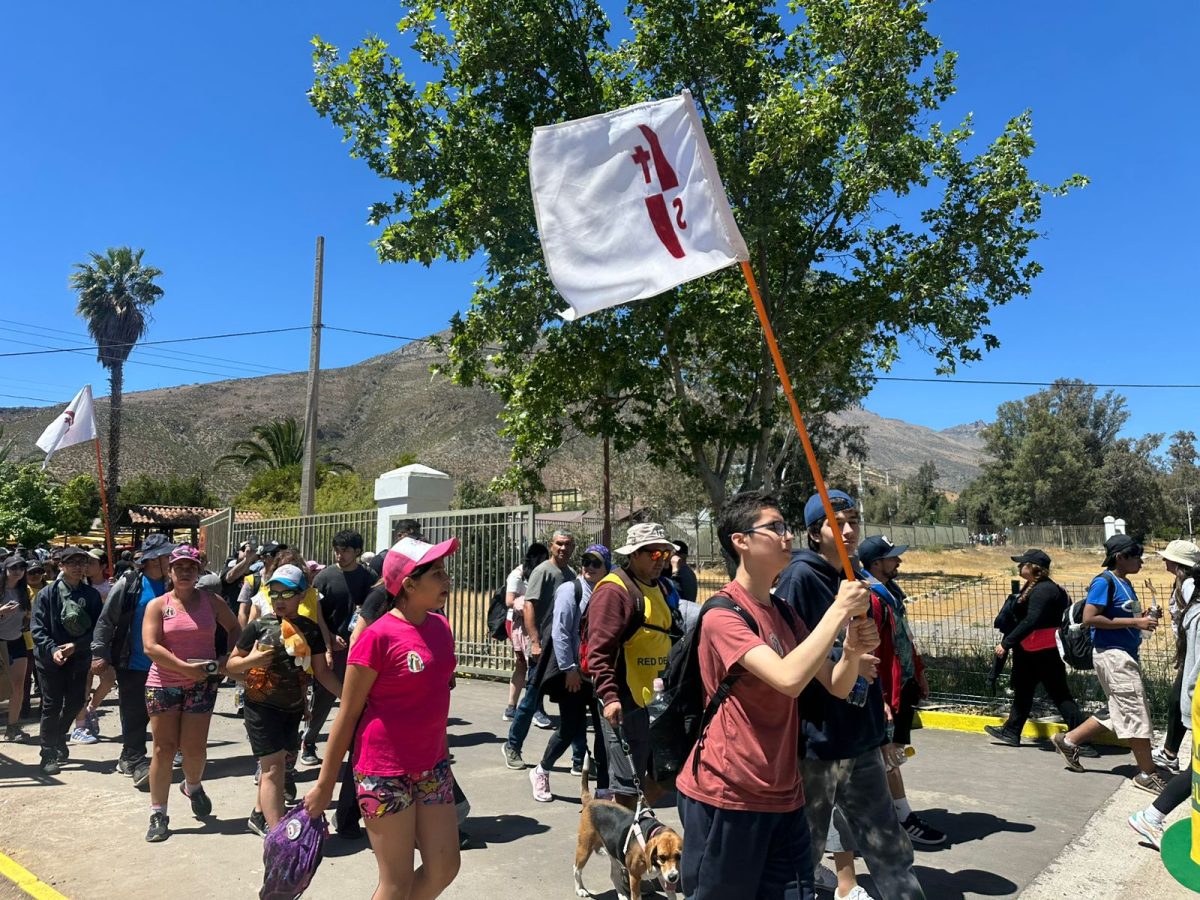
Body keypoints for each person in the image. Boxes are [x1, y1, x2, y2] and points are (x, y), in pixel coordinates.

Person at [675, 490, 877, 900]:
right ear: (741, 541)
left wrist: (852, 653)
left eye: (786, 527)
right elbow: (787, 678)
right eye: (775, 528)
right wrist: (837, 612)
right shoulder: (723, 615)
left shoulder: (785, 613)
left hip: (784, 794)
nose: (787, 537)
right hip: (729, 794)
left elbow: (835, 684)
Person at [774, 490, 926, 900]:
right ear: (814, 533)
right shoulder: (799, 578)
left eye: (854, 520)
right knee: (804, 849)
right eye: (835, 523)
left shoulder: (853, 575)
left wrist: (879, 714)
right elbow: (793, 654)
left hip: (861, 734)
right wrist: (845, 654)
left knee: (888, 844)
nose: (848, 530)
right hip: (818, 741)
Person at [303, 536, 462, 899]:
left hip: (432, 766)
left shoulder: (441, 628)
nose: (446, 579)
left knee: (445, 867)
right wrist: (325, 785)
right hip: (383, 771)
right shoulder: (377, 637)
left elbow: (435, 703)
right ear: (409, 584)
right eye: (436, 573)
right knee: (396, 882)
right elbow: (348, 713)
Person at [227, 564, 342, 836]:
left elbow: (322, 673)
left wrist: (350, 699)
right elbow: (230, 666)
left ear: (302, 596)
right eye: (274, 593)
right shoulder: (258, 627)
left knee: (282, 766)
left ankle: (259, 815)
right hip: (260, 706)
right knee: (273, 768)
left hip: (292, 708)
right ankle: (279, 836)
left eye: (287, 594)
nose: (279, 600)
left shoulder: (310, 630)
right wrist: (251, 661)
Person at [140, 544, 241, 842]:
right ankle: (158, 812)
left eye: (191, 567)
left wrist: (226, 657)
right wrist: (184, 668)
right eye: (179, 567)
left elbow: (236, 628)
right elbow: (150, 646)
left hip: (202, 684)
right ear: (170, 571)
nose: (185, 572)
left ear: (199, 571)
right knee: (163, 748)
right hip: (163, 684)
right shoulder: (158, 605)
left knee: (194, 749)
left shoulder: (212, 602)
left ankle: (192, 785)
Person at [1052, 535, 1165, 793]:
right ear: (1120, 557)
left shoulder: (1124, 582)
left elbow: (1122, 615)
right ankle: (1147, 774)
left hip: (1123, 654)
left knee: (1120, 708)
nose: (1140, 561)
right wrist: (1136, 623)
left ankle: (1069, 741)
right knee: (1136, 711)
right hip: (1113, 656)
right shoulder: (1104, 582)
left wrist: (1144, 617)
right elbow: (1091, 618)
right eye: (1135, 556)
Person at [858, 536, 946, 849]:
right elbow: (872, 650)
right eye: (892, 558)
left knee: (890, 754)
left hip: (902, 686)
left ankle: (886, 814)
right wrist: (880, 697)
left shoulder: (891, 594)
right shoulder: (870, 598)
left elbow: (903, 639)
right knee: (887, 757)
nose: (899, 562)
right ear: (875, 563)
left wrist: (918, 672)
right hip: (884, 693)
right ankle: (901, 816)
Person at [585, 522, 680, 809]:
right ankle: (624, 846)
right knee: (627, 786)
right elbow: (598, 652)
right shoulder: (613, 591)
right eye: (655, 555)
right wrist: (610, 698)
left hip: (657, 701)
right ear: (635, 554)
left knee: (666, 774)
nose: (662, 561)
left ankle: (636, 824)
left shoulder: (660, 587)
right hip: (625, 702)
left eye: (666, 555)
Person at [1128, 546, 1200, 849]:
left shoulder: (1190, 596)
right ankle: (1151, 816)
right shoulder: (1196, 609)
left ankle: (1152, 815)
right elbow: (1196, 666)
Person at [528, 543, 612, 802]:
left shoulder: (608, 592)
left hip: (598, 674)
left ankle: (603, 789)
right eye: (586, 561)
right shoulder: (570, 590)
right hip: (574, 674)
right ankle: (541, 770)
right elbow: (560, 632)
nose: (589, 567)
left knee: (603, 730)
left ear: (606, 568)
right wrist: (569, 669)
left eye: (596, 563)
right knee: (570, 727)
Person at [91, 533, 175, 788]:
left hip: (169, 665)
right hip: (134, 662)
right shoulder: (129, 584)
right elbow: (107, 620)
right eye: (165, 555)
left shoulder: (175, 586)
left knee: (166, 716)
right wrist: (99, 652)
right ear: (153, 560)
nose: (170, 559)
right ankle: (135, 759)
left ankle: (144, 757)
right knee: (135, 714)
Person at [984, 549, 1085, 746]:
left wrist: (1006, 643)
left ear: (1033, 568)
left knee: (1059, 694)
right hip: (1033, 650)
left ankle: (1082, 740)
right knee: (1024, 690)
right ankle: (1011, 731)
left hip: (1041, 652)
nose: (1019, 566)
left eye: (1023, 564)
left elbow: (1031, 620)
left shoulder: (1044, 590)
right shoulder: (1037, 587)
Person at [501, 530, 577, 768]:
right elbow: (529, 606)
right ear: (551, 545)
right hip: (543, 649)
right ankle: (512, 746)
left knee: (572, 704)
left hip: (563, 648)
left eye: (567, 544)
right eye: (559, 544)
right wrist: (535, 642)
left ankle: (579, 758)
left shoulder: (570, 574)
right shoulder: (542, 571)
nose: (563, 548)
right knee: (531, 701)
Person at [30, 546, 104, 776]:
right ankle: (48, 751)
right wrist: (53, 649)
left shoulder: (90, 595)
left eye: (81, 562)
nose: (77, 566)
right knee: (51, 705)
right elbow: (38, 628)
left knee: (74, 703)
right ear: (61, 565)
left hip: (79, 657)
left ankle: (58, 735)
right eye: (71, 562)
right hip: (49, 659)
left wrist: (77, 646)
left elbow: (98, 628)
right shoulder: (47, 594)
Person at [303, 530, 375, 766]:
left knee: (361, 699)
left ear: (356, 552)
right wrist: (330, 638)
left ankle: (357, 747)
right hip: (331, 649)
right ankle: (309, 741)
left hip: (362, 650)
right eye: (336, 550)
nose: (339, 554)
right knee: (324, 698)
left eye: (344, 550)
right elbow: (315, 614)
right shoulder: (324, 577)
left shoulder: (369, 577)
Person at [1151, 540, 1200, 772]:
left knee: (1181, 700)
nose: (1164, 560)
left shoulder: (1189, 585)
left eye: (1167, 557)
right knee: (1177, 700)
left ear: (1179, 563)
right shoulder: (1182, 583)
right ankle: (1170, 752)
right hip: (1188, 649)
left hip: (1193, 650)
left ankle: (1172, 754)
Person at [502, 542, 550, 721]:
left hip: (536, 623)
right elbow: (509, 600)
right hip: (518, 626)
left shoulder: (544, 573)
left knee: (530, 665)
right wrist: (525, 603)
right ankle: (519, 707)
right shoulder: (518, 574)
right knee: (527, 664)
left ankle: (521, 707)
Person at [1, 556, 32, 742]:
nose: (18, 571)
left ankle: (12, 727)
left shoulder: (23, 591)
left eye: (21, 567)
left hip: (17, 641)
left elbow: (25, 617)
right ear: (5, 569)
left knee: (18, 685)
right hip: (0, 642)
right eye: (13, 567)